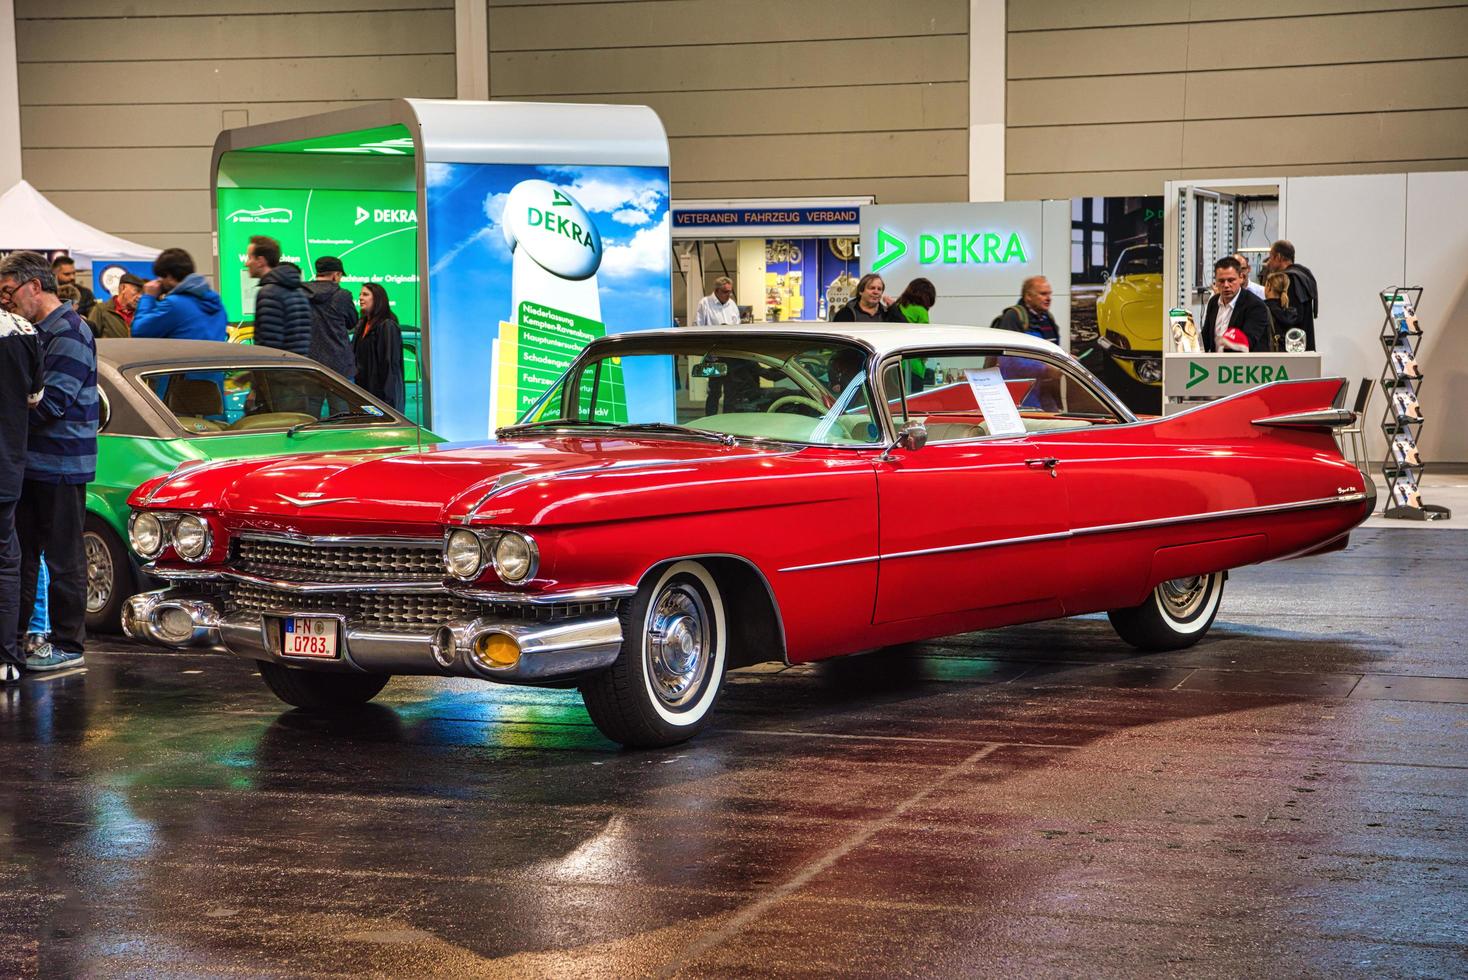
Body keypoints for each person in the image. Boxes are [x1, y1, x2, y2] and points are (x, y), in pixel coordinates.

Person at [0, 251, 99, 673]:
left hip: (61, 465)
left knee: (64, 559)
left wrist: (10, 417)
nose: (5, 302)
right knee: (23, 558)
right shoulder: (35, 332)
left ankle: (68, 645)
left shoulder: (71, 332)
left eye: (8, 292)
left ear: (34, 286)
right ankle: (20, 641)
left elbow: (52, 403)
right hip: (32, 464)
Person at [0, 307, 43, 683]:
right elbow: (34, 396)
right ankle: (7, 658)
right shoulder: (21, 329)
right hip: (6, 464)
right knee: (5, 561)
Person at [132, 248, 227, 341]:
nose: (158, 280)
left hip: (184, 356)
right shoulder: (217, 303)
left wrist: (148, 297)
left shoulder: (173, 305)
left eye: (160, 276)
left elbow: (139, 332)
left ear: (169, 277)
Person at [246, 236, 312, 357]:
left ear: (260, 261)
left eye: (250, 258)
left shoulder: (269, 293)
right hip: (298, 368)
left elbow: (268, 346)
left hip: (278, 371)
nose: (246, 263)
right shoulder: (298, 291)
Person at [302, 256, 359, 381]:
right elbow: (352, 322)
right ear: (336, 275)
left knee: (311, 401)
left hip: (311, 366)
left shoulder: (302, 293)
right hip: (340, 367)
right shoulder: (343, 295)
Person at [1202, 256, 1272, 353]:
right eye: (1221, 281)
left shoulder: (1255, 306)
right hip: (1215, 364)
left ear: (1241, 278)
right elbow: (1206, 338)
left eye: (1231, 280)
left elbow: (1247, 343)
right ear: (1216, 282)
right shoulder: (1214, 302)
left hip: (1243, 365)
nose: (1226, 285)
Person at [353, 283, 404, 411]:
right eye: (360, 294)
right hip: (363, 393)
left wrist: (387, 404)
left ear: (377, 299)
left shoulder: (387, 325)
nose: (360, 298)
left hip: (380, 398)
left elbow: (389, 365)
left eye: (365, 294)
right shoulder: (362, 324)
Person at [1264, 240, 1319, 351]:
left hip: (1292, 348)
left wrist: (1271, 303)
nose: (1268, 263)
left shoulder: (1290, 280)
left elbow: (1291, 318)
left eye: (1270, 257)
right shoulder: (1304, 275)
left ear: (1278, 257)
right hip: (1303, 344)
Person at [893, 278, 937, 390]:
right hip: (914, 367)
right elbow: (924, 340)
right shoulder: (921, 311)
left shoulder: (899, 307)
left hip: (893, 366)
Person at [995, 276, 1061, 344]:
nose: (1048, 298)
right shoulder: (1013, 316)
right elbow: (1008, 350)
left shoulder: (1048, 317)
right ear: (1028, 296)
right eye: (1043, 294)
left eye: (1049, 294)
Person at [86, 273, 145, 339]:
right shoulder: (101, 310)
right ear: (123, 288)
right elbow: (89, 338)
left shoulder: (142, 313)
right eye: (137, 291)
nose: (140, 296)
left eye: (142, 293)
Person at [833, 273, 905, 322]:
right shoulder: (846, 313)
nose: (876, 292)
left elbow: (905, 330)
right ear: (861, 291)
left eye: (879, 289)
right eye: (872, 288)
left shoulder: (887, 313)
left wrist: (893, 308)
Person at [1263, 271, 1299, 346]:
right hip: (1288, 354)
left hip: (1268, 354)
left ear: (1269, 287)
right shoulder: (1291, 312)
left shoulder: (1262, 309)